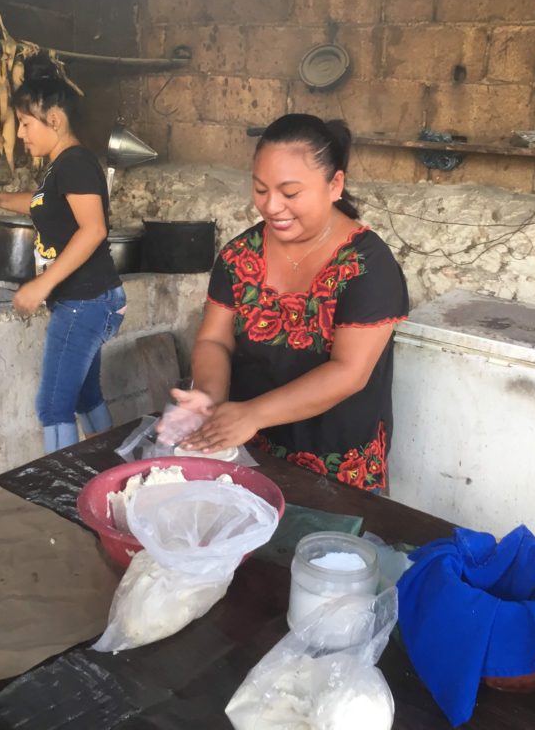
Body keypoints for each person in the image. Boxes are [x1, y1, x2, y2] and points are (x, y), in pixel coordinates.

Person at [174, 113, 409, 491]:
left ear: (335, 185)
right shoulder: (239, 257)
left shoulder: (367, 265)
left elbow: (349, 372)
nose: (271, 206)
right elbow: (214, 340)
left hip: (336, 468)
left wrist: (251, 413)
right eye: (260, 189)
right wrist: (211, 401)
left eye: (290, 192)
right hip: (249, 452)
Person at [0, 54, 126, 454]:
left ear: (53, 119)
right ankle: (111, 471)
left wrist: (42, 284)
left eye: (25, 122)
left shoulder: (75, 164)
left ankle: (66, 495)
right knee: (86, 397)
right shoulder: (61, 167)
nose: (20, 133)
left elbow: (94, 230)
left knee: (54, 407)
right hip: (92, 299)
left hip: (83, 301)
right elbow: (41, 204)